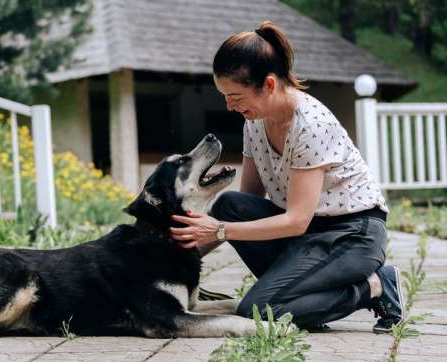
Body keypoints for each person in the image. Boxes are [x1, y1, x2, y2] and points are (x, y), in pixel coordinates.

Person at [169, 20, 404, 333]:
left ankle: (374, 286)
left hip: (350, 234)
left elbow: (296, 221)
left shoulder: (310, 125)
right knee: (229, 204)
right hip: (306, 237)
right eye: (225, 96)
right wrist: (176, 254)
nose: (229, 106)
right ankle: (299, 295)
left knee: (259, 310)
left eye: (236, 97)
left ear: (268, 84)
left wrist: (219, 231)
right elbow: (249, 201)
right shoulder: (255, 121)